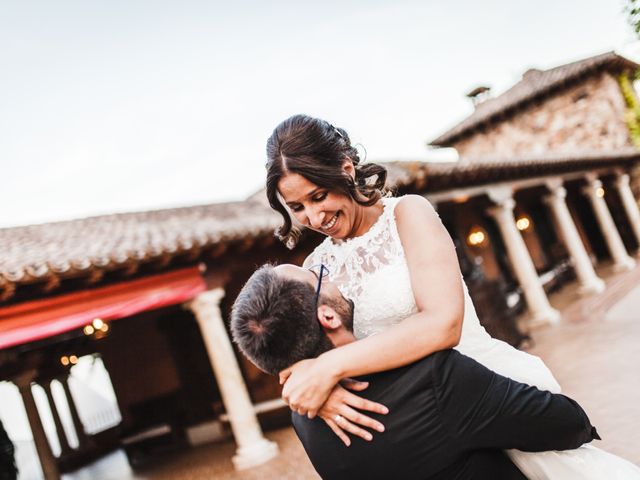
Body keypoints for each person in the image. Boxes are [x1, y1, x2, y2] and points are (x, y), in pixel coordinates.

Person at [263, 114, 640, 478]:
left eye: (319, 195)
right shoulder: (317, 268)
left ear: (345, 170)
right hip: (421, 426)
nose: (314, 216)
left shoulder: (408, 215)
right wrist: (315, 390)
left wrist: (331, 367)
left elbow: (444, 324)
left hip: (488, 392)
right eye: (297, 207)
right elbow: (296, 349)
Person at [230, 264, 600, 480]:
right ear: (327, 317)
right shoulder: (432, 379)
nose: (331, 276)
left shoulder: (306, 419)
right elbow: (566, 424)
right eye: (319, 274)